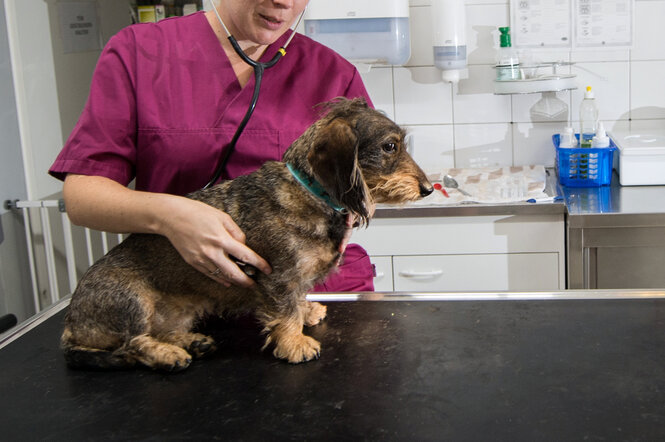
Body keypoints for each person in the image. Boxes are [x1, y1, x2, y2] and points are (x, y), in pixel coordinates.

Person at [49, 0, 375, 292]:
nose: (283, 2)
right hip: (185, 295)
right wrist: (169, 216)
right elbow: (82, 196)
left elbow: (373, 178)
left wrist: (357, 201)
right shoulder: (138, 52)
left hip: (306, 292)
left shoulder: (334, 75)